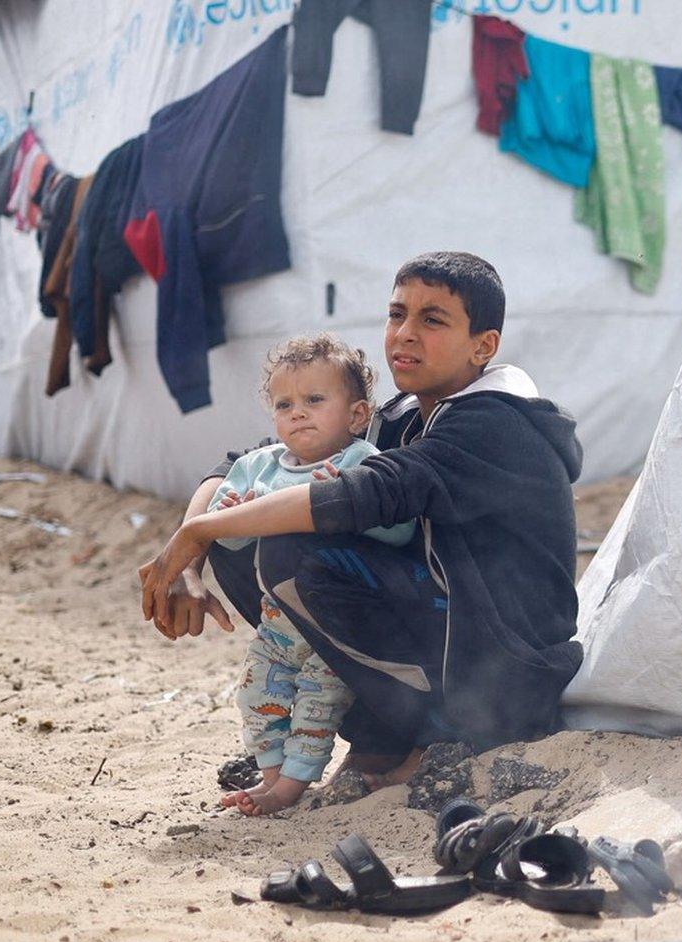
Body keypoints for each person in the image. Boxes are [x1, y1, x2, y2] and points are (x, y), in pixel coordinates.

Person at [139, 252, 584, 789]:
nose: (405, 334)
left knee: (289, 546)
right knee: (249, 527)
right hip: (449, 642)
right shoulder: (404, 415)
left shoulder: (495, 423)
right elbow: (244, 464)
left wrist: (198, 533)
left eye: (432, 320)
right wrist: (193, 551)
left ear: (483, 346)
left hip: (504, 680)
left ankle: (428, 736)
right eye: (397, 315)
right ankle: (384, 737)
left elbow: (362, 494)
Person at [210, 334, 416, 814]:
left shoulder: (359, 463)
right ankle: (271, 777)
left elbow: (401, 532)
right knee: (256, 695)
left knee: (316, 704)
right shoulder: (257, 467)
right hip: (278, 623)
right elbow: (227, 539)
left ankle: (290, 789)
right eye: (285, 404)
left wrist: (346, 503)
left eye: (315, 400)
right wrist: (236, 514)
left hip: (334, 623)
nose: (298, 412)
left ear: (357, 415)